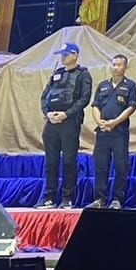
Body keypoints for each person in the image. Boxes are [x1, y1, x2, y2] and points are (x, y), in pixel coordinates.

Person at [38, 42, 92, 209]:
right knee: (51, 162)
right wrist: (47, 113)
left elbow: (84, 99)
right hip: (52, 122)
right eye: (61, 54)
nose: (62, 57)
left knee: (69, 161)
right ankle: (49, 197)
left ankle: (67, 197)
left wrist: (66, 114)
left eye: (66, 54)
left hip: (69, 122)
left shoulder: (83, 74)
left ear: (75, 55)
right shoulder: (57, 73)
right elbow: (45, 96)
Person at [89, 53, 136, 209]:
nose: (115, 67)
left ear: (125, 67)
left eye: (119, 65)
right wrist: (99, 122)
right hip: (103, 132)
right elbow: (95, 106)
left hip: (119, 132)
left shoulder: (130, 85)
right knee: (101, 166)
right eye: (113, 64)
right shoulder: (103, 85)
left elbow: (131, 107)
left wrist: (115, 122)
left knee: (121, 166)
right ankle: (99, 199)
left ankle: (117, 199)